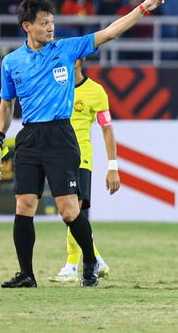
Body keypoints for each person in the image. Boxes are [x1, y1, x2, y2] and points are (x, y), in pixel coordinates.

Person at [0, 0, 166, 288]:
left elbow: (110, 32)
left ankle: (90, 260)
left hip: (60, 135)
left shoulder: (67, 49)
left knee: (69, 210)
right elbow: (7, 105)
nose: (50, 27)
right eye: (44, 22)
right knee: (24, 205)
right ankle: (26, 275)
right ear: (27, 26)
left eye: (52, 21)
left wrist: (144, 9)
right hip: (29, 137)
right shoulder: (11, 62)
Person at [48, 57, 121, 282]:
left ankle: (72, 266)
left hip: (81, 159)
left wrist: (112, 167)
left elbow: (107, 129)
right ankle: (96, 259)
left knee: (74, 209)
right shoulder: (54, 88)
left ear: (78, 61)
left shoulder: (96, 92)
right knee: (70, 215)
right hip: (59, 158)